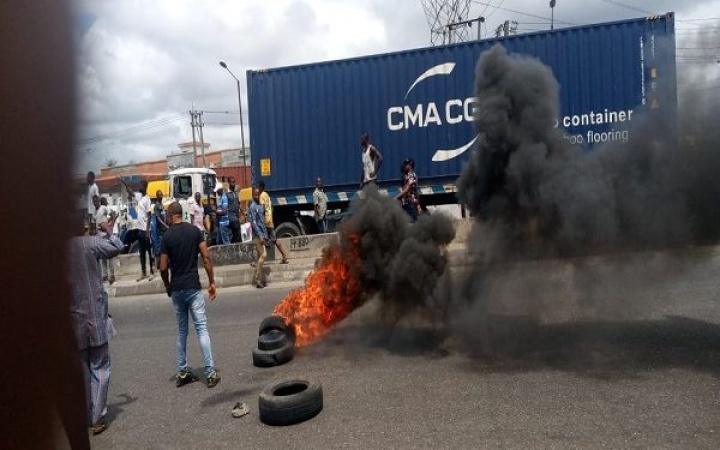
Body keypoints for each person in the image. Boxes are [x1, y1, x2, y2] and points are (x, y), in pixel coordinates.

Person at [68, 212, 123, 436]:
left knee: (81, 370)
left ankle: (85, 414)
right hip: (95, 315)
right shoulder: (91, 243)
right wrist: (110, 229)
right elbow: (117, 246)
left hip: (73, 318)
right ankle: (96, 417)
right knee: (100, 367)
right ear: (84, 226)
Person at [160, 201, 221, 388]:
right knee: (202, 329)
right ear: (182, 214)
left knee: (182, 332)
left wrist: (168, 285)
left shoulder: (166, 236)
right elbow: (206, 257)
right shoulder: (195, 231)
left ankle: (183, 371)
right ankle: (210, 373)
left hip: (177, 289)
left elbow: (162, 267)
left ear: (171, 216)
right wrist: (211, 281)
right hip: (193, 287)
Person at [257, 180, 289, 264]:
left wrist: (260, 220)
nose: (256, 189)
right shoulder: (267, 195)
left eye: (257, 187)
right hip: (270, 220)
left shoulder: (261, 196)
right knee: (275, 240)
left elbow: (262, 209)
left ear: (260, 187)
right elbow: (271, 207)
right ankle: (284, 256)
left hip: (265, 221)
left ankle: (258, 261)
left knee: (259, 239)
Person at [248, 187, 269, 288]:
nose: (257, 196)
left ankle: (259, 280)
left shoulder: (260, 206)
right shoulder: (252, 207)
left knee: (258, 258)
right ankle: (257, 278)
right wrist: (261, 236)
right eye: (255, 194)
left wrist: (265, 235)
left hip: (262, 234)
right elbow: (254, 223)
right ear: (252, 195)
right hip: (257, 235)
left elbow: (262, 222)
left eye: (258, 194)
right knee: (264, 255)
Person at [135, 180, 155, 281]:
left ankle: (152, 272)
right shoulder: (139, 197)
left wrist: (147, 231)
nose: (139, 186)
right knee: (141, 253)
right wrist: (124, 183)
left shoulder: (147, 199)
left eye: (140, 185)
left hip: (145, 230)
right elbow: (130, 192)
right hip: (139, 230)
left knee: (149, 251)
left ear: (144, 186)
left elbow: (149, 215)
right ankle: (144, 273)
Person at [94, 196, 117, 284]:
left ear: (99, 201)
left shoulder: (103, 208)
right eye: (94, 202)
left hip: (105, 236)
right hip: (99, 237)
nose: (95, 203)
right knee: (103, 257)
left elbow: (113, 213)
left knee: (109, 257)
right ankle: (105, 275)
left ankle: (112, 275)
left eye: (96, 201)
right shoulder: (96, 211)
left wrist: (110, 225)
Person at [396, 158, 420, 222]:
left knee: (412, 223)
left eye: (406, 164)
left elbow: (407, 189)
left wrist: (396, 197)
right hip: (408, 202)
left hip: (410, 203)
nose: (404, 166)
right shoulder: (408, 175)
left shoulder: (411, 175)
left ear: (410, 165)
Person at [151, 189, 169, 273]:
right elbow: (158, 218)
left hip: (164, 229)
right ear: (157, 196)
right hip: (161, 230)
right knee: (161, 247)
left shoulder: (161, 205)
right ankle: (160, 265)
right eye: (159, 195)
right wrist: (165, 225)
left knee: (165, 246)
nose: (161, 196)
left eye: (162, 195)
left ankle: (165, 263)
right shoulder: (156, 206)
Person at [226, 177, 242, 243]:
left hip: (236, 217)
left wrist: (243, 214)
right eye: (232, 182)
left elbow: (238, 205)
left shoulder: (235, 193)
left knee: (236, 236)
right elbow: (225, 207)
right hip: (231, 218)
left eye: (234, 182)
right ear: (229, 183)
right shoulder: (226, 194)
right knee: (236, 236)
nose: (234, 183)